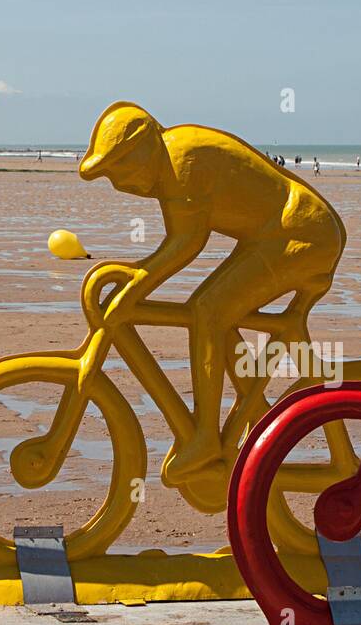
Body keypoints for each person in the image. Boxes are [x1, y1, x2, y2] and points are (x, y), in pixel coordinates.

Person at [78, 101, 346, 481]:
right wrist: (139, 277)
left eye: (118, 172)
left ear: (140, 151)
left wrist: (137, 282)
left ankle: (206, 437)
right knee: (212, 310)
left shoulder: (180, 160)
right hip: (274, 235)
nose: (121, 186)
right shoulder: (168, 158)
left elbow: (187, 243)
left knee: (208, 311)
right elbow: (177, 245)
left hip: (301, 234)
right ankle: (236, 422)